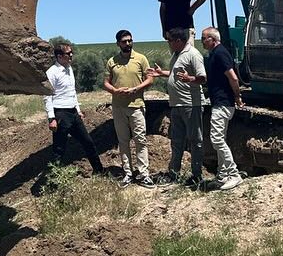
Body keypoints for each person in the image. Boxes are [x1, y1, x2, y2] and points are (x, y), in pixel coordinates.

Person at [147, 27, 207, 186]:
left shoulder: (193, 54)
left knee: (195, 140)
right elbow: (176, 74)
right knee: (176, 140)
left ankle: (197, 176)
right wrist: (161, 73)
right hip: (176, 104)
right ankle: (173, 173)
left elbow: (202, 78)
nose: (168, 43)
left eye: (170, 41)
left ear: (178, 41)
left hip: (191, 104)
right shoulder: (176, 55)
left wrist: (190, 78)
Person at [103, 30, 155, 188]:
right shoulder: (112, 61)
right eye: (124, 41)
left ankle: (144, 174)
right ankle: (128, 173)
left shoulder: (141, 59)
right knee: (123, 141)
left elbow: (150, 79)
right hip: (118, 107)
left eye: (130, 40)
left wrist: (136, 89)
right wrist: (115, 91)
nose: (128, 44)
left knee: (140, 140)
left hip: (136, 106)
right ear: (118, 43)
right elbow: (106, 82)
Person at [44, 41, 104, 176]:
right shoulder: (52, 72)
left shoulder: (69, 69)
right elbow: (47, 96)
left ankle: (99, 170)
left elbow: (72, 91)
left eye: (72, 53)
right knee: (59, 149)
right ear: (59, 56)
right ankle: (53, 180)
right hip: (60, 114)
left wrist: (78, 109)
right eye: (68, 53)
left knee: (88, 142)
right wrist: (51, 118)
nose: (71, 55)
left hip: (73, 113)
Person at [200, 26, 244, 190]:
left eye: (204, 38)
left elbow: (233, 77)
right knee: (220, 139)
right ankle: (222, 175)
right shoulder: (215, 54)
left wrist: (237, 96)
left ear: (212, 39)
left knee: (217, 139)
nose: (202, 41)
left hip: (223, 103)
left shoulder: (220, 53)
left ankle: (234, 174)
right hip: (220, 102)